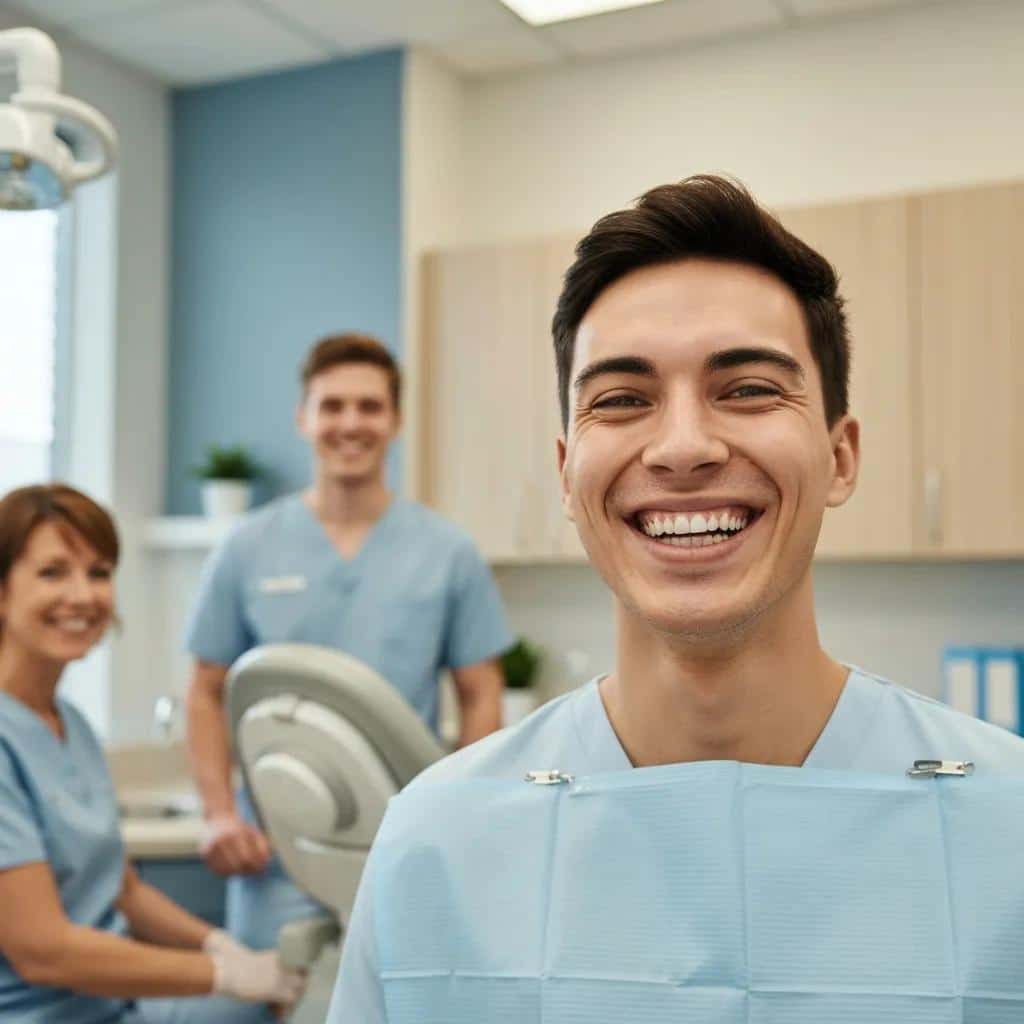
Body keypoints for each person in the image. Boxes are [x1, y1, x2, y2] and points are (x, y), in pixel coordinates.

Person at [326, 175, 1024, 1022]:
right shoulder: (435, 843)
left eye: (749, 389)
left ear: (841, 457)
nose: (683, 446)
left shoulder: (1005, 830)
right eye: (622, 400)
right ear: (565, 474)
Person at [184, 332, 512, 951]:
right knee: (282, 998)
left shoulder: (446, 552)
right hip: (277, 850)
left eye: (368, 406)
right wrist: (219, 814)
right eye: (332, 406)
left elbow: (480, 692)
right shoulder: (247, 547)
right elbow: (205, 691)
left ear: (395, 421)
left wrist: (466, 813)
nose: (350, 423)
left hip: (404, 844)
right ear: (303, 418)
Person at [0, 484, 305, 1024]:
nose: (83, 595)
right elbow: (43, 951)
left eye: (98, 573)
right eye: (53, 573)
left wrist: (218, 945)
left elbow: (123, 890)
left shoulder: (69, 724)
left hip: (109, 1008)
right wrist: (224, 976)